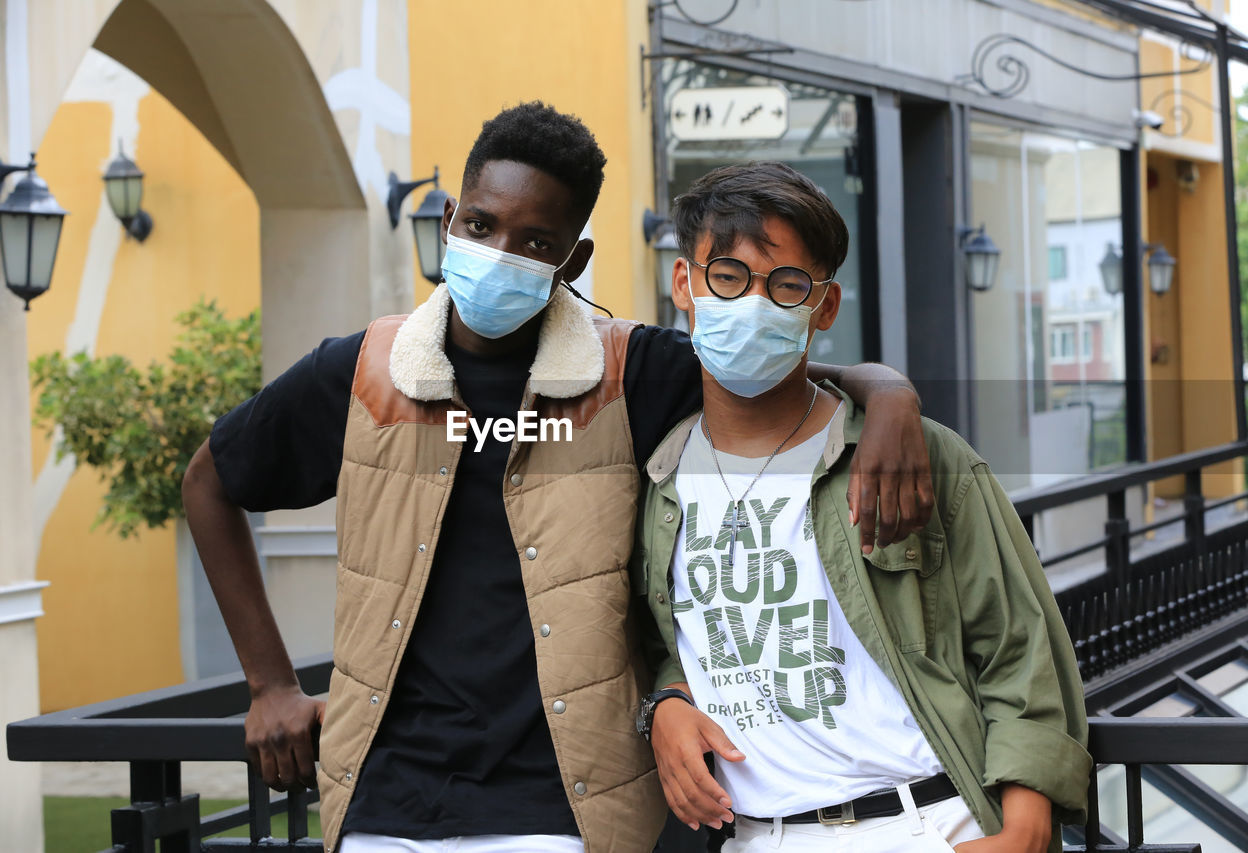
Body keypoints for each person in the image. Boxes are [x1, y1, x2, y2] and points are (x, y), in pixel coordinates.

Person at [181, 103, 934, 853]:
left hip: (566, 808)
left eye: (535, 240)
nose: (500, 251)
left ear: (572, 259)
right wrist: (269, 683)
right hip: (385, 802)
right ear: (448, 218)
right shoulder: (364, 372)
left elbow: (779, 381)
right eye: (480, 225)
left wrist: (890, 394)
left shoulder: (629, 371)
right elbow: (209, 482)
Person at [633, 161, 1091, 853]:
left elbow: (1020, 645)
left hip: (929, 823)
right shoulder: (659, 478)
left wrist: (1026, 818)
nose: (753, 304)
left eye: (785, 285)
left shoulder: (919, 456)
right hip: (759, 836)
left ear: (823, 306)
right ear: (684, 283)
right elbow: (672, 642)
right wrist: (665, 702)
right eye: (727, 275)